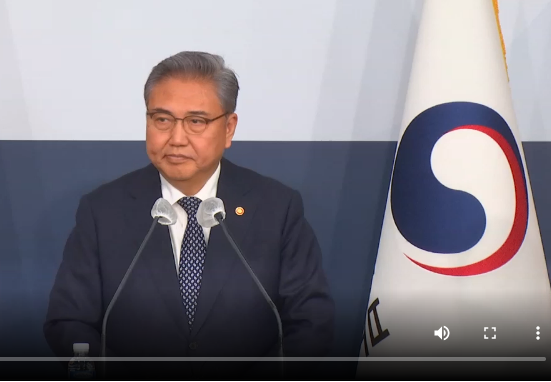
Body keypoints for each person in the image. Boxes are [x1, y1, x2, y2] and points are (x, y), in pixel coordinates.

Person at [44, 51, 334, 378]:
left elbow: (311, 322)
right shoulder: (102, 210)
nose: (177, 139)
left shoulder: (277, 208)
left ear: (228, 128)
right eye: (162, 120)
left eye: (196, 121)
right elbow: (69, 322)